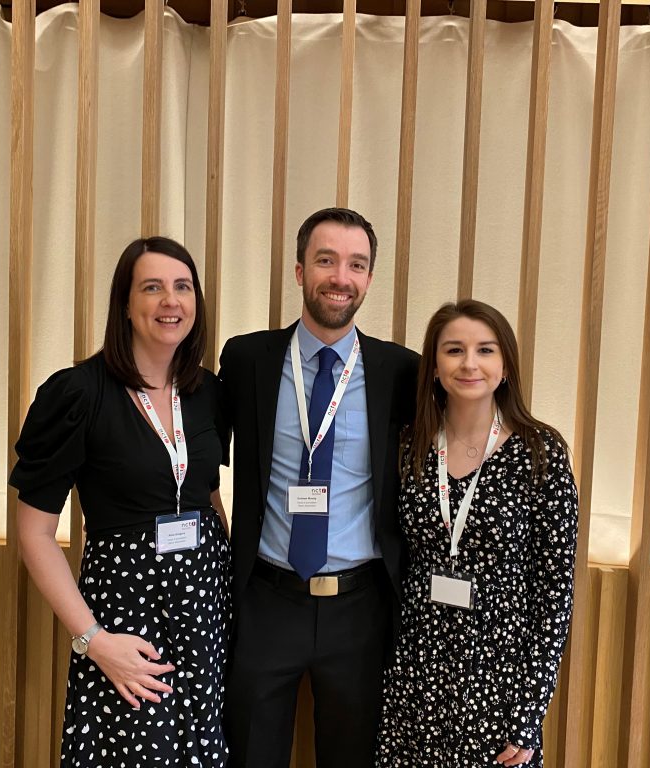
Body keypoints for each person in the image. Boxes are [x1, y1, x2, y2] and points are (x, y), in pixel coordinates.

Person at [9, 237, 230, 767]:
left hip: (205, 614)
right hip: (124, 620)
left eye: (182, 287)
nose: (169, 301)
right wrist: (94, 641)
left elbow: (204, 493)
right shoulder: (80, 393)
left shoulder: (207, 392)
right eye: (151, 288)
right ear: (125, 305)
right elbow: (34, 534)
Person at [218, 208, 419, 768]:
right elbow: (197, 459)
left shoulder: (401, 371)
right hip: (266, 600)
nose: (340, 277)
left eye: (356, 264)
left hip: (360, 608)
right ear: (300, 270)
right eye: (326, 260)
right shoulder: (246, 359)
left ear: (370, 279)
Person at [376, 299, 578, 768]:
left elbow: (554, 593)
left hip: (497, 679)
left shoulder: (539, 451)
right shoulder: (410, 445)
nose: (469, 363)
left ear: (504, 365)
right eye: (454, 350)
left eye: (485, 350)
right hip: (414, 673)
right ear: (433, 367)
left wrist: (529, 712)